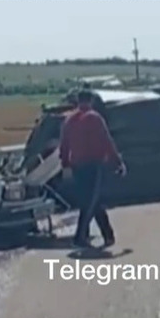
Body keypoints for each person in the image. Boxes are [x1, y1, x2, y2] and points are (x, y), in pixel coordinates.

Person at [58, 88, 126, 248]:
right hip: (93, 165)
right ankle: (80, 237)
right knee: (91, 201)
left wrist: (65, 164)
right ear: (91, 101)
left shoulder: (69, 121)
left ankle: (107, 235)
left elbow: (64, 146)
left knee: (91, 200)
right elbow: (107, 141)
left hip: (77, 166)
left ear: (78, 101)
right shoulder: (95, 118)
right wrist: (117, 162)